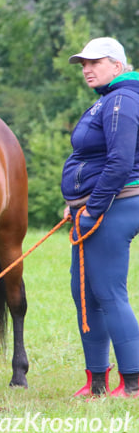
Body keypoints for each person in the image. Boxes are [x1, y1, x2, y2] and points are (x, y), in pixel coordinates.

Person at [62, 37, 139, 398]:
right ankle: (96, 382)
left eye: (95, 61)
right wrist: (76, 203)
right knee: (86, 294)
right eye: (83, 64)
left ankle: (134, 382)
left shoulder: (123, 98)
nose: (87, 69)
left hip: (117, 205)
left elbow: (121, 161)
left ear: (119, 65)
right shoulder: (110, 99)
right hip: (97, 206)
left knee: (108, 292)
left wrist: (92, 207)